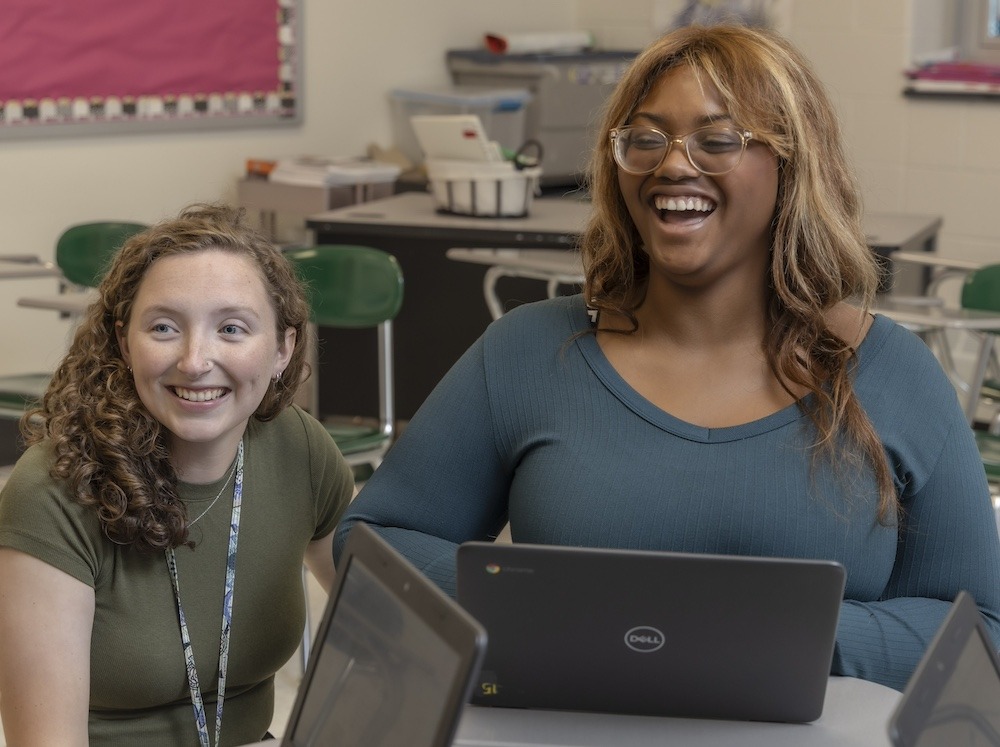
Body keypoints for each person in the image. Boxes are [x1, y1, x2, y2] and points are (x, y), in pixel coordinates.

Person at [333, 24, 1000, 692]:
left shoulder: (894, 374)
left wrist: (776, 632)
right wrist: (549, 605)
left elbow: (980, 633)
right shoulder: (527, 352)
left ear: (792, 165)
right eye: (646, 138)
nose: (673, 164)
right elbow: (373, 540)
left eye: (717, 139)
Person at [0, 204, 354, 745]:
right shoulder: (53, 490)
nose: (194, 360)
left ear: (283, 348)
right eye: (164, 327)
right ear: (124, 343)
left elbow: (389, 626)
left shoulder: (299, 449)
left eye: (231, 328)